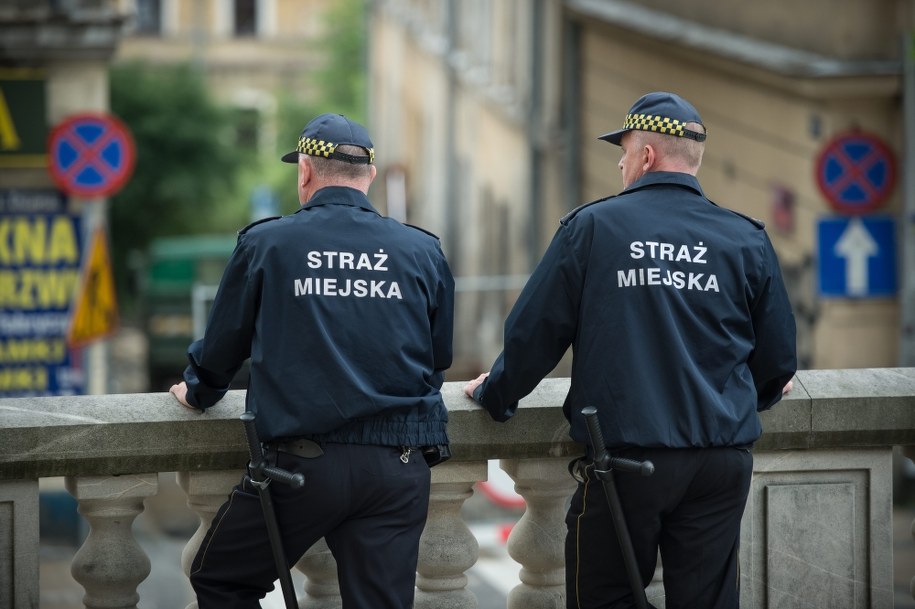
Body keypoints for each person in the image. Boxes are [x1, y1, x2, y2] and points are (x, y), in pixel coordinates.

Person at [463, 92, 797, 609]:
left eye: (623, 150)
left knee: (603, 596)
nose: (619, 162)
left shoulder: (594, 228)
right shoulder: (745, 238)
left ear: (646, 157)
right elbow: (777, 359)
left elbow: (535, 334)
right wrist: (752, 398)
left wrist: (497, 395)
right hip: (719, 462)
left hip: (628, 463)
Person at [169, 113, 455, 609]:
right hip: (398, 467)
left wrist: (198, 390)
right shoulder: (422, 250)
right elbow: (437, 359)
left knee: (219, 578)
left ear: (305, 172)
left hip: (302, 469)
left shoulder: (267, 242)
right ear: (368, 176)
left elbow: (222, 348)